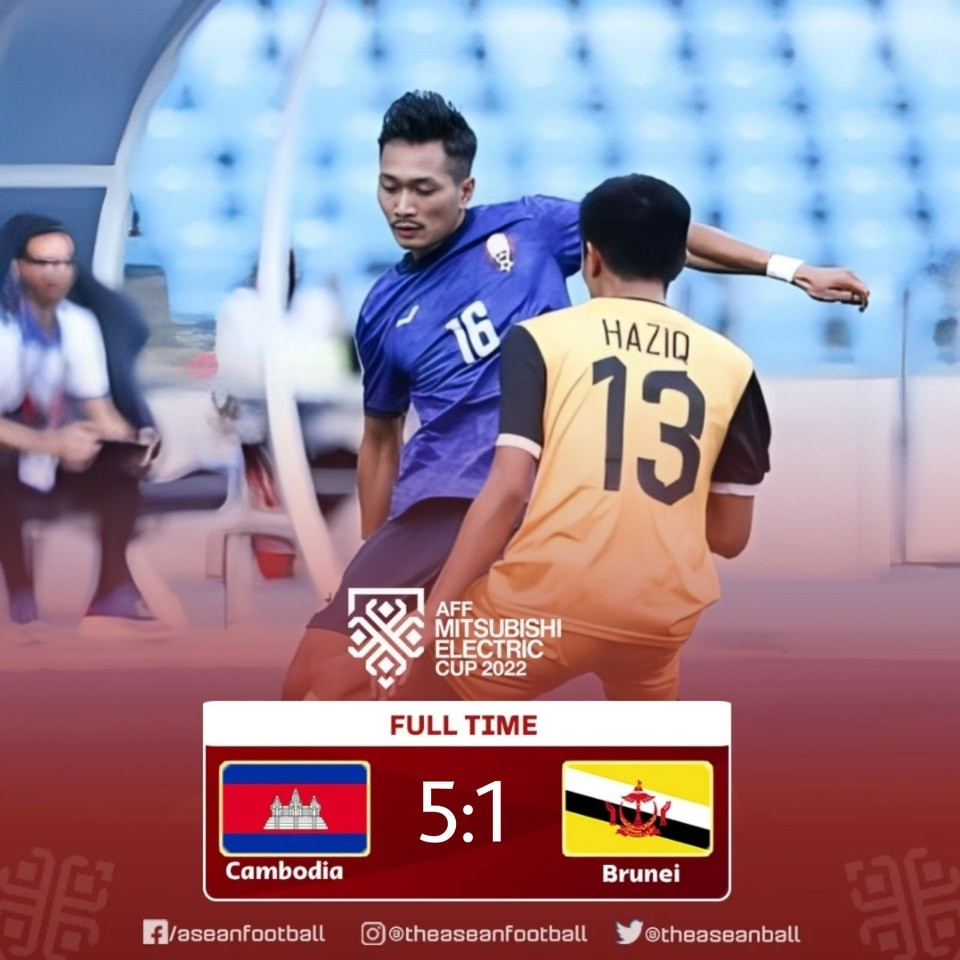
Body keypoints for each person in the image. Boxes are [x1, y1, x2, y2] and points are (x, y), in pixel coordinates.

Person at [282, 90, 864, 700]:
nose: (403, 206)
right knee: (320, 679)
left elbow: (659, 233)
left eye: (423, 189)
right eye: (389, 187)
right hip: (441, 511)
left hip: (535, 504)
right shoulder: (382, 308)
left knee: (383, 683)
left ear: (466, 189)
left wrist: (789, 269)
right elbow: (380, 440)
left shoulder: (530, 227)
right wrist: (373, 556)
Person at [416, 173, 769, 699]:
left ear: (590, 256)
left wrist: (433, 616)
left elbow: (509, 488)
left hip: (538, 610)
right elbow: (730, 538)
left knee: (414, 691)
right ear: (679, 259)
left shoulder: (539, 339)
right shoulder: (734, 366)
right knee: (644, 733)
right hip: (657, 622)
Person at [0, 214, 160, 637]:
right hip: (13, 446)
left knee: (120, 463)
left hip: (51, 446)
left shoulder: (78, 324)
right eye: (43, 262)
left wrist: (133, 441)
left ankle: (111, 593)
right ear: (18, 267)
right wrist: (51, 444)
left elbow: (99, 409)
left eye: (64, 263)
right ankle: (21, 596)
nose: (56, 273)